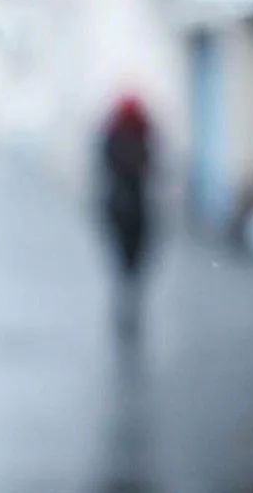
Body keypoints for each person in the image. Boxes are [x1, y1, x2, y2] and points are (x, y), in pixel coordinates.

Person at [101, 95, 152, 331]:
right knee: (132, 260)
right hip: (133, 208)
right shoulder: (141, 134)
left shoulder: (115, 135)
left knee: (124, 259)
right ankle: (130, 299)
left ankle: (127, 299)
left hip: (120, 207)